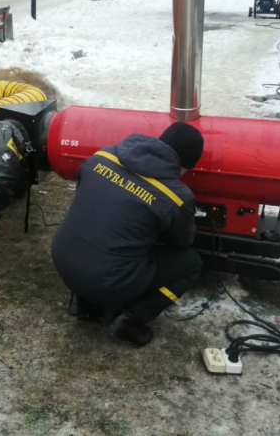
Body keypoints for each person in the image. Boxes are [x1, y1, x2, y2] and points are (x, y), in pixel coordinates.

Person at [51, 122, 205, 346]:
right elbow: (182, 242)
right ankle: (131, 320)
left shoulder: (102, 156)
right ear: (184, 165)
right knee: (191, 264)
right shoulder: (175, 195)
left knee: (100, 230)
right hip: (108, 281)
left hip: (63, 258)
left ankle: (84, 303)